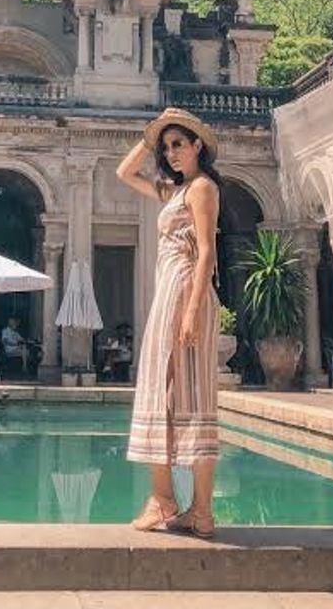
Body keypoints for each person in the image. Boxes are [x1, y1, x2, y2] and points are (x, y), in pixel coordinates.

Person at [117, 107, 222, 539]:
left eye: (179, 143)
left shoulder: (202, 189)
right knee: (161, 388)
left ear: (198, 145)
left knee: (190, 390)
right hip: (169, 293)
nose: (171, 153)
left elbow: (208, 253)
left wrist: (194, 308)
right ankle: (180, 506)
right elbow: (125, 173)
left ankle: (189, 506)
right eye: (167, 147)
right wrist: (150, 134)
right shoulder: (174, 192)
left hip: (186, 292)